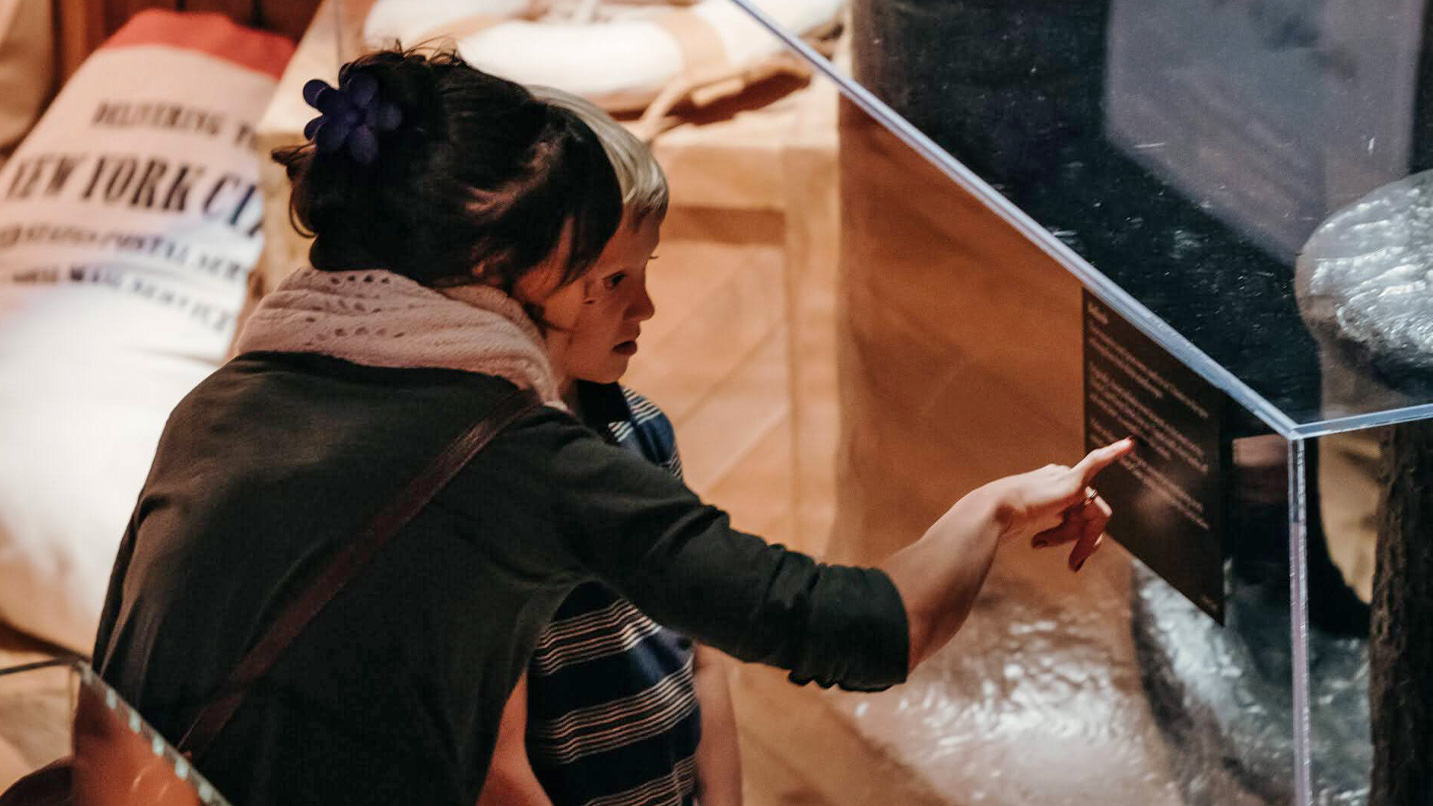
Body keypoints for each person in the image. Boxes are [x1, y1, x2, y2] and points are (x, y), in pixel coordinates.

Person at [91, 48, 1130, 806]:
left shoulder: (220, 401)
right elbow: (859, 625)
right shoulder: (514, 459)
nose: (614, 300)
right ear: (512, 267)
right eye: (591, 265)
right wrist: (994, 503)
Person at [474, 86, 740, 806]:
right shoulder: (491, 479)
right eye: (614, 279)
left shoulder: (643, 432)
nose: (646, 306)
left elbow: (703, 661)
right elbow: (496, 767)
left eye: (646, 271)